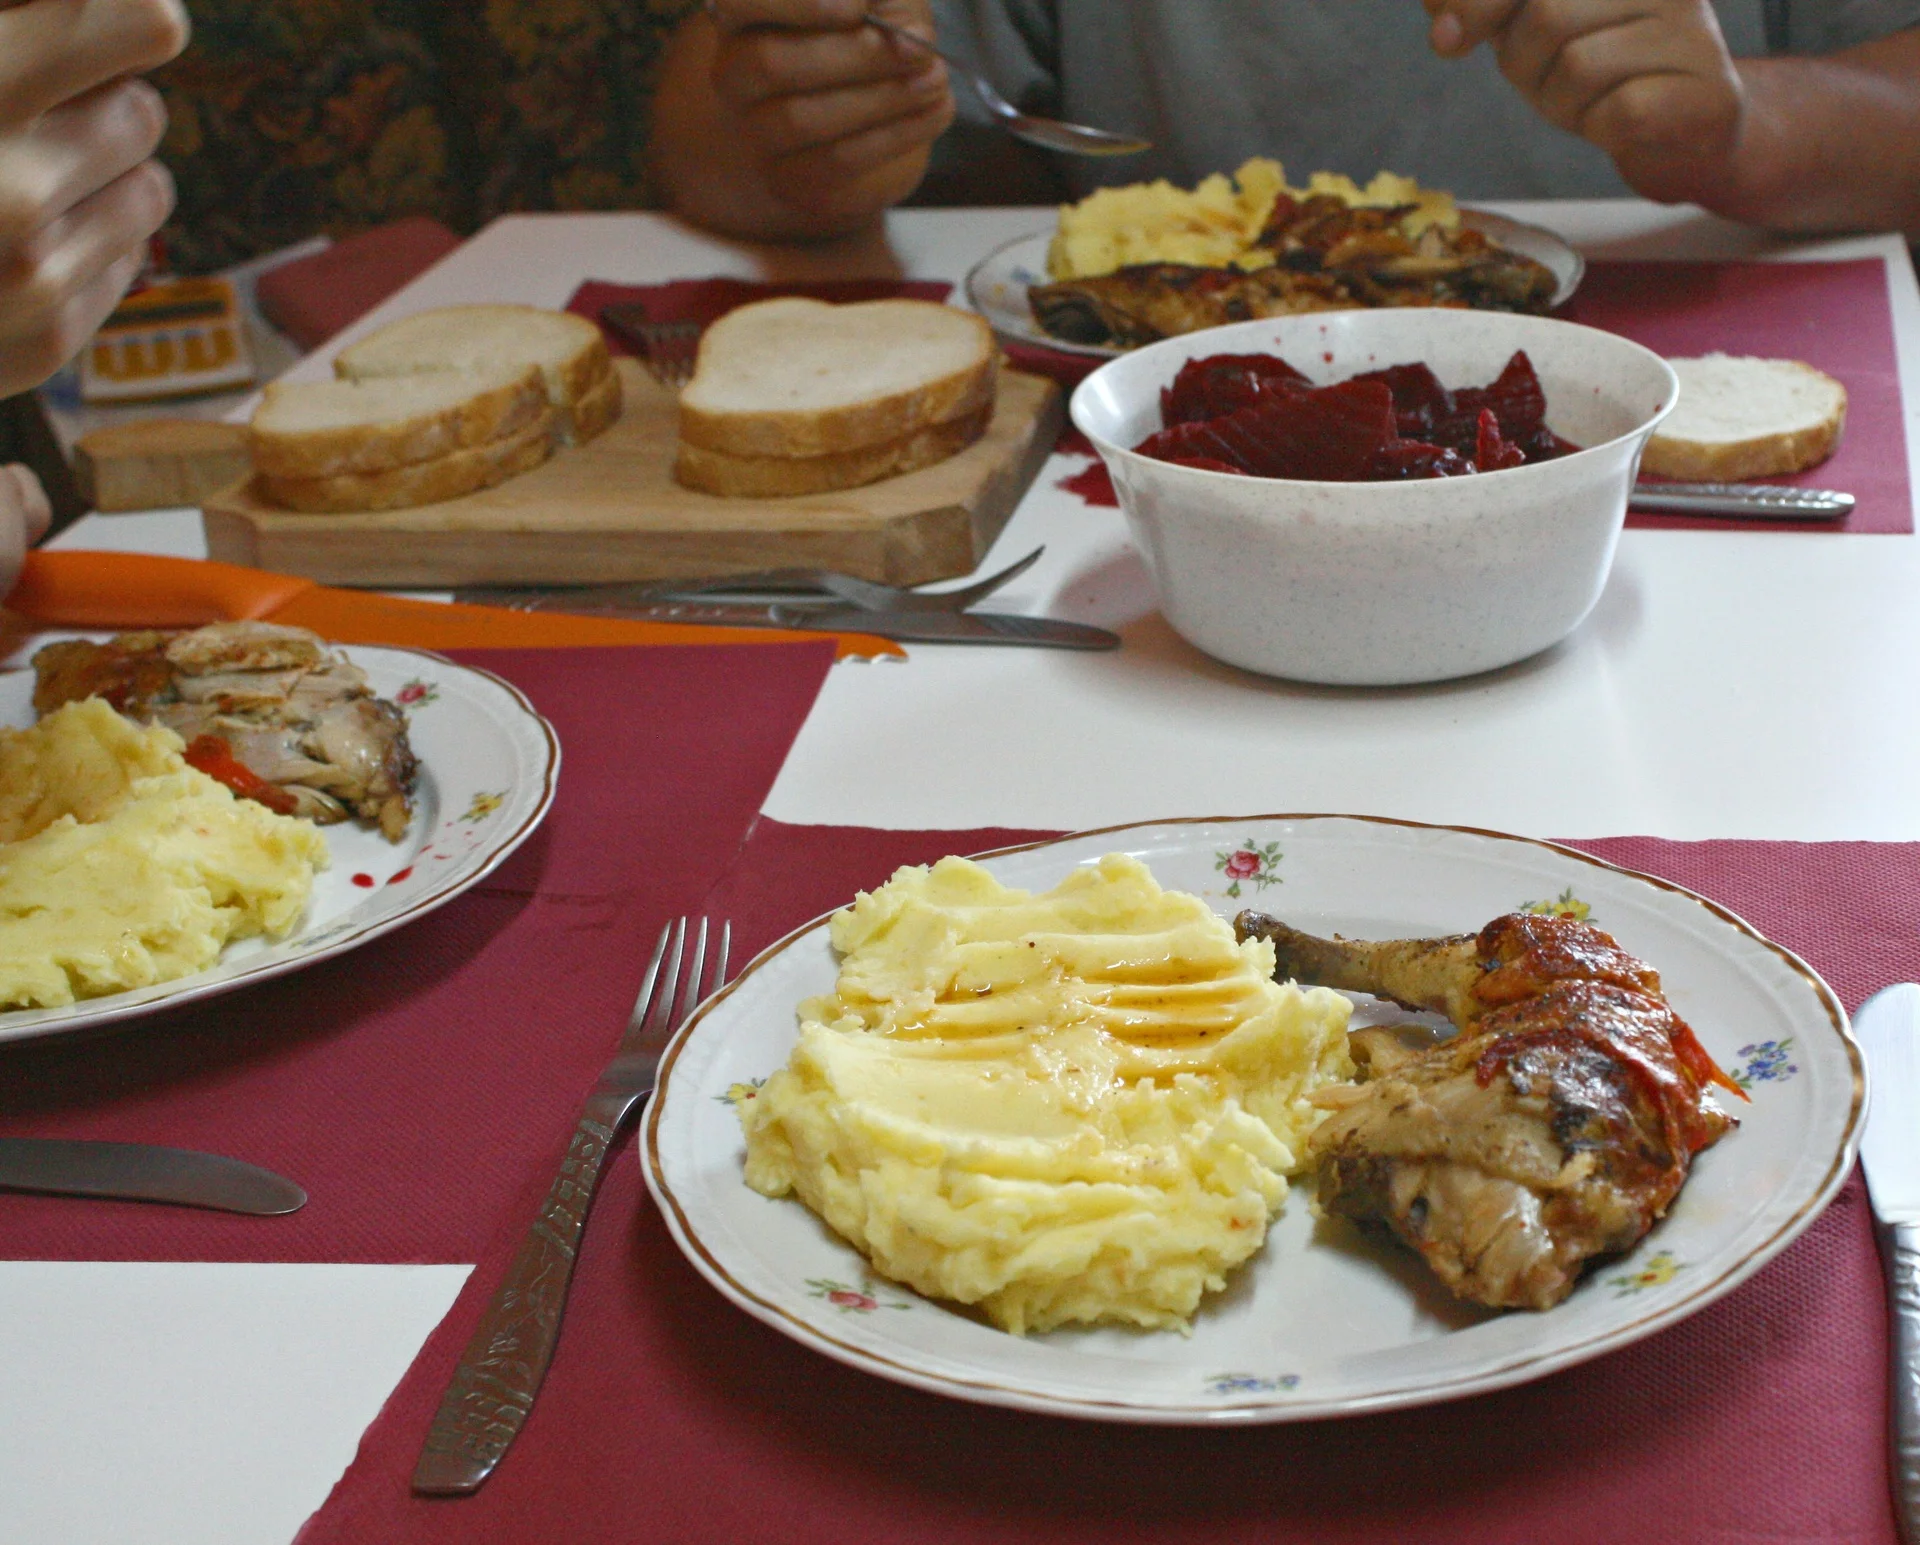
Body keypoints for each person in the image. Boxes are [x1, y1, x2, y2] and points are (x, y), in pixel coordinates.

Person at [648, 0, 1920, 243]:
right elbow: (709, 150)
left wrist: (1740, 130)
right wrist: (796, 121)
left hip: (1686, 419)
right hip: (1151, 481)